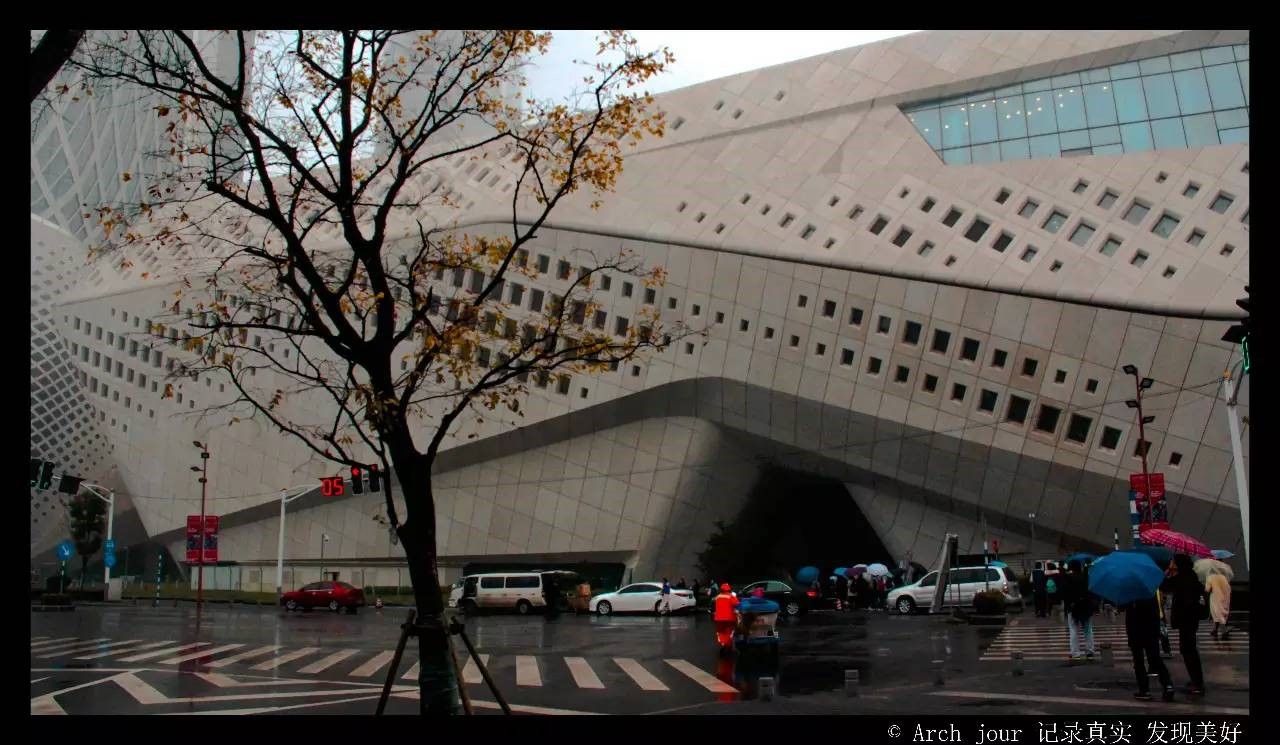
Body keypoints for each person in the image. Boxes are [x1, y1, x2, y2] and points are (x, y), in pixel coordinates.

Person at [1163, 554, 1205, 695]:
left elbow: (1163, 585)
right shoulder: (1190, 576)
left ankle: (1197, 684)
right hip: (1191, 620)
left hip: (1186, 620)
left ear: (1179, 564)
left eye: (1173, 561)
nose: (1171, 562)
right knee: (1190, 650)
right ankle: (1196, 680)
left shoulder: (1182, 578)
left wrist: (1167, 571)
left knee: (1188, 651)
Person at [1122, 594, 1175, 702]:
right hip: (1151, 629)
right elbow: (1156, 611)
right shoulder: (1150, 591)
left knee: (1139, 661)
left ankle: (1144, 690)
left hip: (1135, 630)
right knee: (1155, 658)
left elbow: (1124, 609)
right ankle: (1168, 685)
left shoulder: (1129, 594)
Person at [1060, 560, 1097, 660]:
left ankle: (1075, 653)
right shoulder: (1086, 577)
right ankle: (1090, 652)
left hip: (1073, 607)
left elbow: (1064, 593)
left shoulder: (1068, 578)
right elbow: (1090, 591)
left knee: (1073, 630)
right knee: (1088, 630)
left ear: (1071, 568)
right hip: (1085, 606)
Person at [1206, 570, 1232, 640]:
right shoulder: (1224, 577)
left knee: (1217, 614)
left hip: (1215, 598)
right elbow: (1229, 588)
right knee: (1220, 614)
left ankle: (1224, 632)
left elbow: (1208, 589)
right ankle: (1215, 630)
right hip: (1225, 598)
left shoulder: (1210, 577)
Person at [713, 583, 740, 652]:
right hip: (729, 618)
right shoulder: (730, 596)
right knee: (729, 632)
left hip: (718, 619)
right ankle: (728, 644)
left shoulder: (718, 597)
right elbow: (737, 604)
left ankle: (723, 643)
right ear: (729, 589)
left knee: (721, 632)